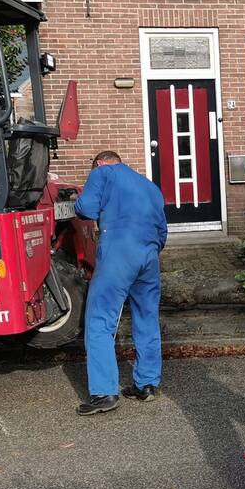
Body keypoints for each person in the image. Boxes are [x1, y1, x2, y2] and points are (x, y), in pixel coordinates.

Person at [74, 150, 168, 415]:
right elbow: (162, 231)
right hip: (149, 254)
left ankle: (104, 393)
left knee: (100, 319)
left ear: (100, 164)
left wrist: (77, 199)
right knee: (147, 316)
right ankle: (147, 384)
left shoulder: (102, 173)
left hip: (118, 251)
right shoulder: (149, 186)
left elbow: (86, 208)